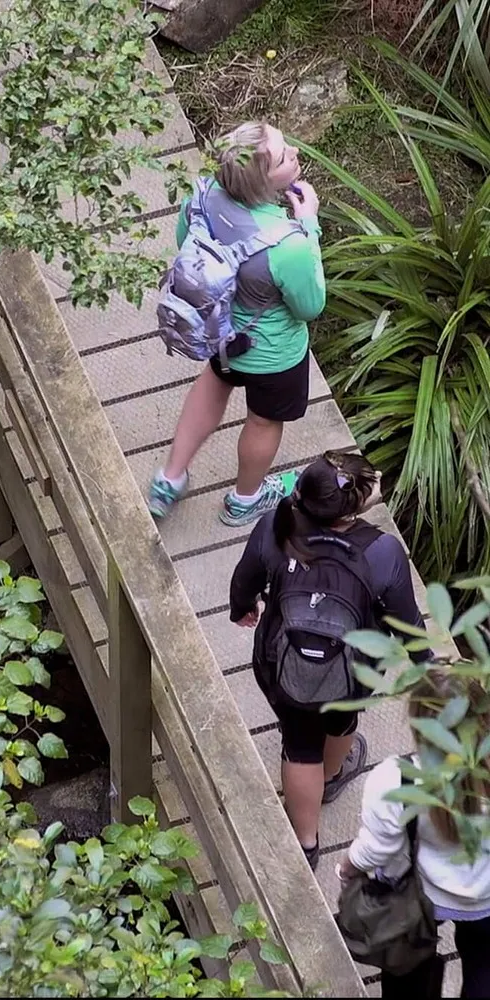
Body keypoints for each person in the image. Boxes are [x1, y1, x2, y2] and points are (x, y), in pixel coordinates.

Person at [229, 451, 428, 869]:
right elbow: (407, 624)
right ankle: (334, 774)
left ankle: (306, 843)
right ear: (352, 509)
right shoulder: (382, 552)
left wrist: (242, 609)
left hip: (283, 665)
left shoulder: (275, 526)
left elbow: (245, 579)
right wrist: (426, 667)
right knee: (341, 718)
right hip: (352, 670)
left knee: (299, 744)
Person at [148, 121, 326, 527]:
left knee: (212, 385)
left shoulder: (204, 194)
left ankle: (169, 479)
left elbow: (185, 243)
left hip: (219, 332)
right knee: (263, 420)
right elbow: (310, 306)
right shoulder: (288, 244)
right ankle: (245, 500)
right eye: (284, 157)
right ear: (262, 181)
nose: (295, 153)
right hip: (273, 356)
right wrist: (309, 224)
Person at [338, 671, 490, 999]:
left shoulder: (397, 779)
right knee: (484, 968)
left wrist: (347, 867)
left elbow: (378, 848)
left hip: (420, 899)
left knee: (408, 978)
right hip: (487, 899)